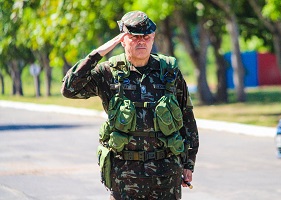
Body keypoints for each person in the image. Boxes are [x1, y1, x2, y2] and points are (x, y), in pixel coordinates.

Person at [61, 10, 199, 200]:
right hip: (124, 175)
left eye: (146, 37)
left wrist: (188, 163)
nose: (141, 41)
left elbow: (187, 118)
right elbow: (69, 89)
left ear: (153, 38)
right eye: (134, 37)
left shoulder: (169, 71)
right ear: (122, 39)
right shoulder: (108, 72)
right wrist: (98, 53)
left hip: (166, 172)